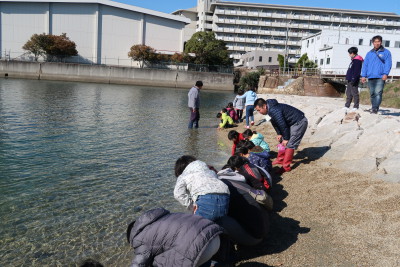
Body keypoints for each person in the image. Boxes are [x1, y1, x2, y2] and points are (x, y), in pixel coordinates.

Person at [127, 207, 223, 267]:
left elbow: (139, 263)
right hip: (215, 237)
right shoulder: (164, 217)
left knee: (156, 262)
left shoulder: (139, 238)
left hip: (200, 249)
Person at [217, 167, 270, 246]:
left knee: (216, 218)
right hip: (265, 225)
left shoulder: (220, 190)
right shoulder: (233, 180)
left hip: (255, 237)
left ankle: (223, 249)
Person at [254, 98, 308, 174]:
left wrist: (286, 138)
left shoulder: (274, 110)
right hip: (290, 123)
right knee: (281, 139)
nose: (259, 112)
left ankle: (286, 167)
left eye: (259, 110)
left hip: (299, 121)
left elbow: (282, 124)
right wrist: (279, 134)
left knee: (290, 144)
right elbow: (275, 123)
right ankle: (280, 159)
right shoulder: (270, 110)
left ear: (264, 106)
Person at [174, 155, 230, 221]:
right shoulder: (208, 170)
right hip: (225, 196)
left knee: (198, 227)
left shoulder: (183, 175)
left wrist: (192, 206)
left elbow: (178, 194)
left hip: (206, 199)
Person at [361, 35, 392, 114]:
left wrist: (385, 74)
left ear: (381, 42)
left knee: (378, 92)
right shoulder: (369, 53)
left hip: (380, 76)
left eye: (378, 41)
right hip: (370, 76)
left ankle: (375, 108)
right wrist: (363, 75)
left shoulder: (386, 52)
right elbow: (365, 65)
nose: (377, 43)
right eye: (375, 42)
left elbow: (388, 64)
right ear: (373, 43)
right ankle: (373, 107)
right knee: (372, 93)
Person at [344, 47, 363, 111]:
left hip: (354, 79)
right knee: (348, 92)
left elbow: (357, 71)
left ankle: (356, 106)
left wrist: (353, 79)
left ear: (352, 53)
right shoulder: (353, 60)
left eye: (349, 53)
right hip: (350, 79)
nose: (349, 55)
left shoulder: (357, 60)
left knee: (354, 92)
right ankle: (347, 105)